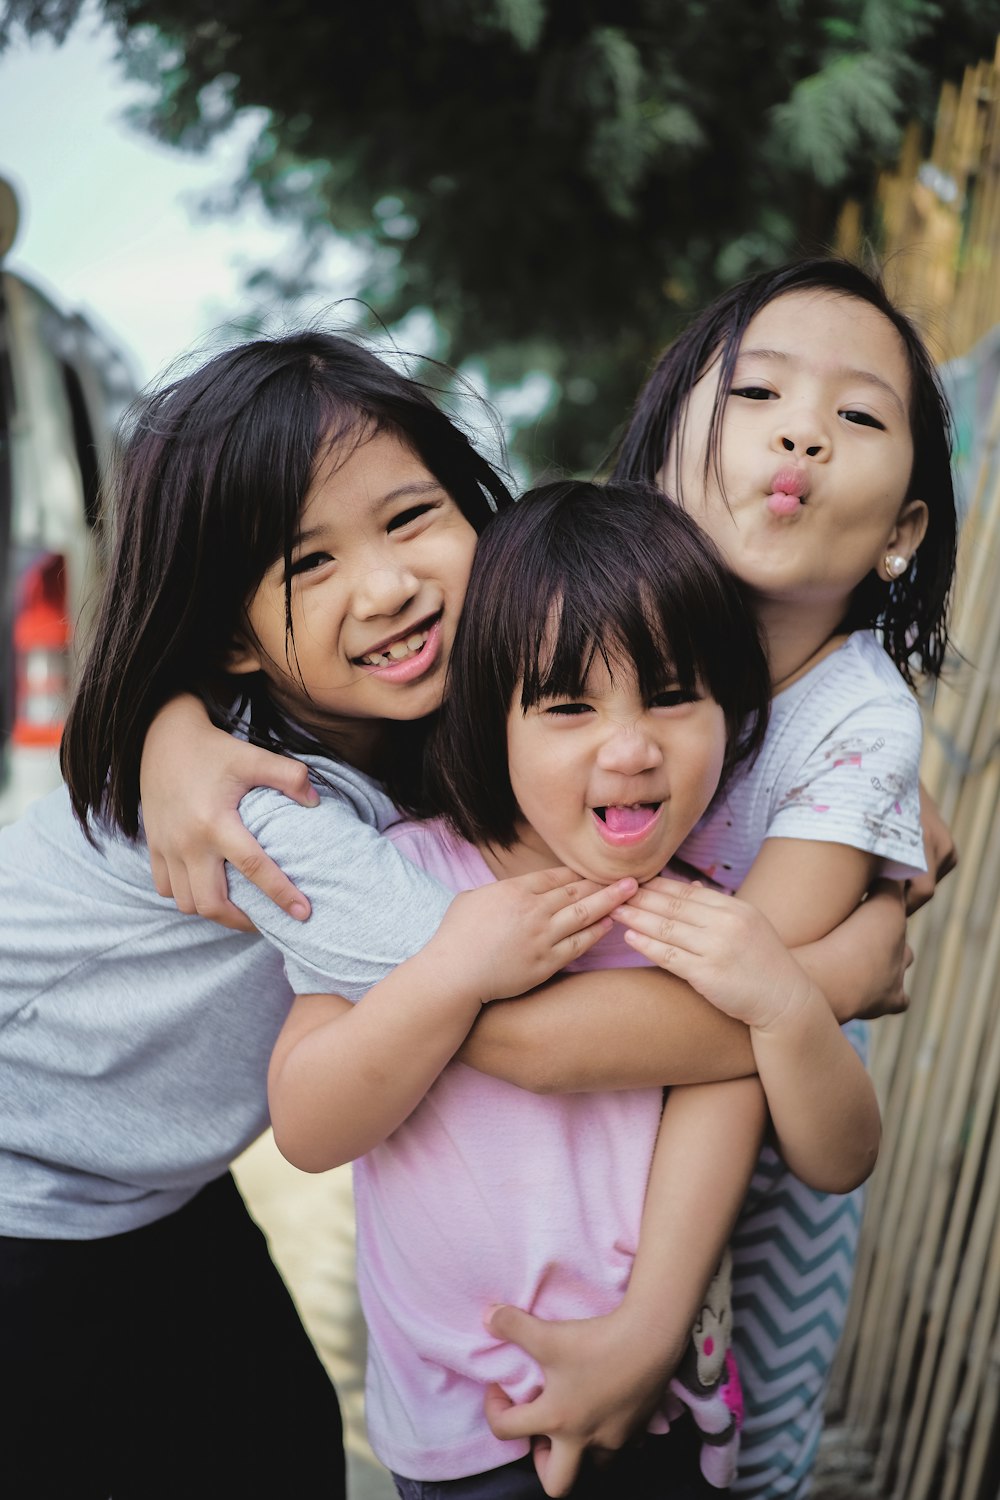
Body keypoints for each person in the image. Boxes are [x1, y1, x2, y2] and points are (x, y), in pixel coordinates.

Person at [136, 258, 949, 1495]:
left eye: (857, 415)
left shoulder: (845, 732)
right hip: (472, 1403)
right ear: (667, 454)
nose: (801, 431)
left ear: (905, 530)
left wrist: (795, 988)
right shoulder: (537, 653)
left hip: (722, 1239)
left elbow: (719, 1033)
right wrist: (176, 729)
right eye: (759, 393)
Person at [0, 330, 647, 1498]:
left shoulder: (377, 727)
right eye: (308, 563)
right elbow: (515, 1021)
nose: (387, 584)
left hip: (145, 1187)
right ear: (231, 637)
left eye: (410, 520)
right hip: (26, 1192)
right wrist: (809, 991)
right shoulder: (268, 805)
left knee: (279, 1441)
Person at [264, 477, 881, 1499]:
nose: (630, 748)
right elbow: (308, 1125)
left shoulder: (709, 917)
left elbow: (841, 1155)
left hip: (659, 1418)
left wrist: (782, 1000)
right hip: (467, 1440)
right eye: (565, 706)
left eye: (674, 695)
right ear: (487, 717)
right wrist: (450, 973)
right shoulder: (405, 881)